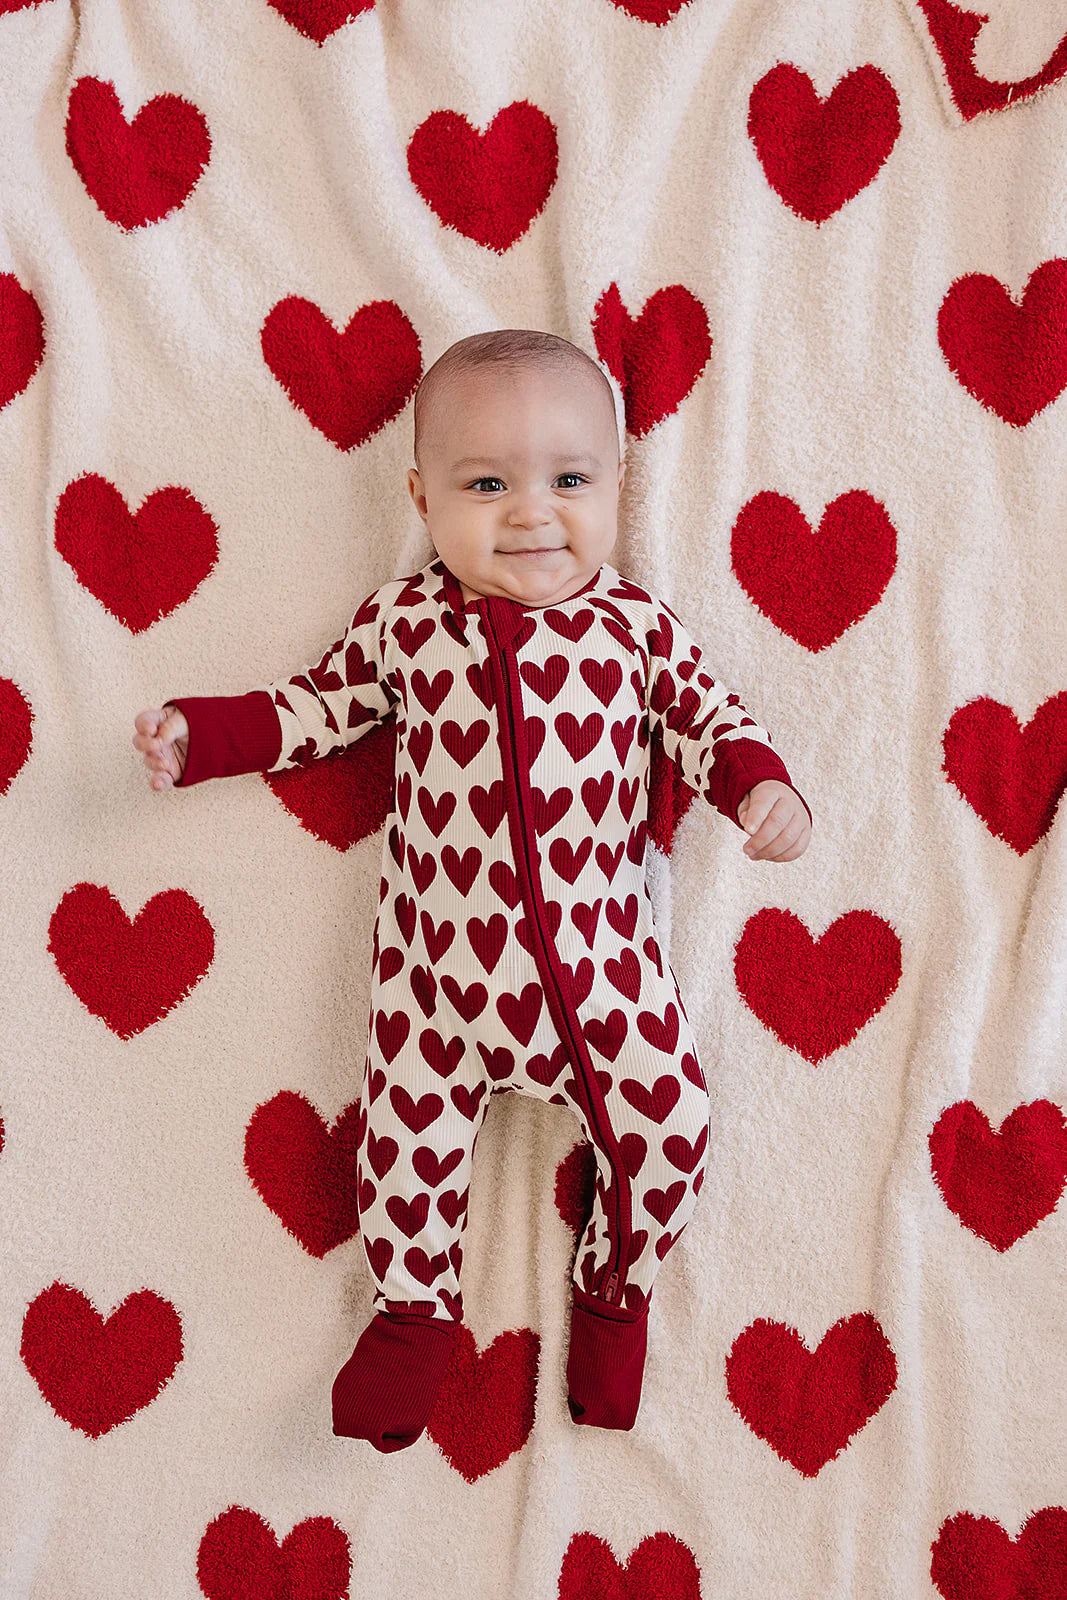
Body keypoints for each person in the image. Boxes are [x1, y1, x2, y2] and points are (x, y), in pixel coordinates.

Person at [132, 328, 813, 1453]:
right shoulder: (405, 623)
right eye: (486, 485)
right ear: (421, 496)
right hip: (433, 985)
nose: (531, 514)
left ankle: (616, 1288)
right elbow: (314, 709)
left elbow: (707, 718)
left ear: (617, 483)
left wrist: (759, 789)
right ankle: (413, 1315)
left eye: (569, 480)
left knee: (673, 1128)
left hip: (601, 976)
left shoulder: (632, 629)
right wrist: (201, 736)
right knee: (398, 1150)